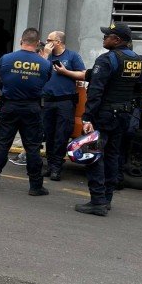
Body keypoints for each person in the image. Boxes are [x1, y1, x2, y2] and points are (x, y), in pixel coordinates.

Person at [76, 22, 142, 216]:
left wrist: (87, 117)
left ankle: (97, 201)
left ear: (117, 40)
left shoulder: (106, 60)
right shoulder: (141, 61)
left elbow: (96, 91)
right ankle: (107, 199)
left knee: (92, 155)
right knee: (113, 156)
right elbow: (139, 90)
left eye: (107, 35)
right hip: (124, 116)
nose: (104, 38)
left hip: (104, 116)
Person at [0, 28, 52, 195]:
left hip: (9, 106)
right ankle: (36, 186)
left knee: (2, 145)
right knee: (32, 147)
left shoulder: (7, 59)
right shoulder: (45, 63)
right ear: (38, 43)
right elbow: (46, 79)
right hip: (32, 107)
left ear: (21, 41)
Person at [40, 31, 85, 180]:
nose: (46, 43)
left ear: (57, 42)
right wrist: (45, 56)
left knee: (61, 135)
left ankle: (57, 168)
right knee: (49, 134)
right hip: (48, 100)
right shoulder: (46, 55)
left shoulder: (72, 56)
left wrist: (66, 72)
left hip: (65, 101)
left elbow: (84, 74)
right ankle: (50, 165)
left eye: (49, 40)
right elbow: (38, 71)